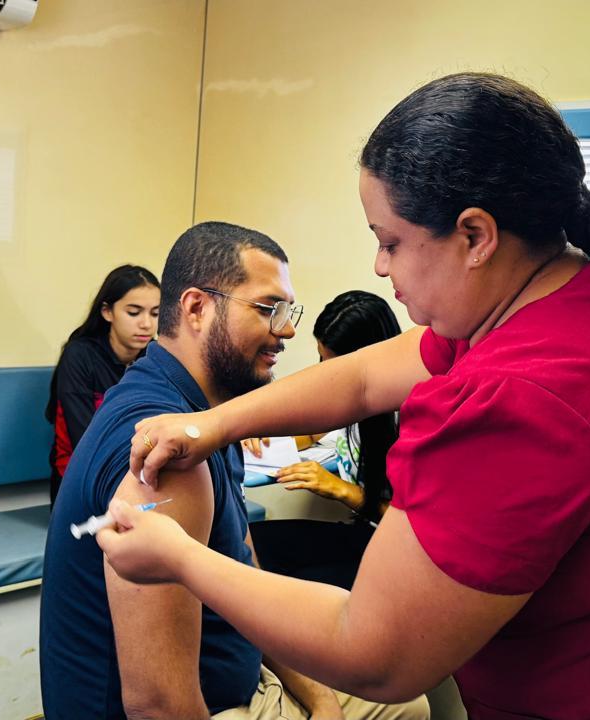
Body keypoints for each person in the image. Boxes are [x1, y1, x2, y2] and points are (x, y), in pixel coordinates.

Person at [96, 73, 590, 719]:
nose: (379, 267)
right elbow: (364, 377)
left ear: (476, 235)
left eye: (390, 241)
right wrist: (211, 425)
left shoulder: (522, 398)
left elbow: (375, 655)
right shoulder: (564, 303)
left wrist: (181, 557)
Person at [39, 222, 429, 720]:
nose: (287, 330)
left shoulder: (205, 422)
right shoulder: (170, 458)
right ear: (197, 308)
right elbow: (158, 705)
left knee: (405, 705)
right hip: (210, 706)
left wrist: (320, 698)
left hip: (243, 677)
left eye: (288, 311)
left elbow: (246, 570)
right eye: (268, 309)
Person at [246, 290, 401, 589]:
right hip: (364, 534)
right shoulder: (353, 404)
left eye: (334, 365)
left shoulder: (410, 417)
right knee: (251, 541)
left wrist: (340, 489)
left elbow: (418, 526)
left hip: (396, 554)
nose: (326, 375)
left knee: (280, 582)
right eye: (322, 359)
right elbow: (314, 431)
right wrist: (263, 436)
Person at [45, 264, 160, 503]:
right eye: (134, 312)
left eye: (155, 313)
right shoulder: (79, 356)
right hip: (81, 484)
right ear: (107, 312)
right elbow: (86, 441)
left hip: (138, 477)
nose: (146, 324)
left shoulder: (156, 356)